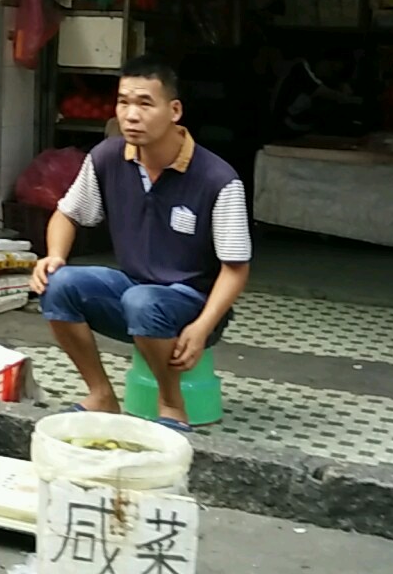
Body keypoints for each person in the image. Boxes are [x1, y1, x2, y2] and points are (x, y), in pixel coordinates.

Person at [31, 56, 251, 429]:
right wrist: (53, 256)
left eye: (145, 104)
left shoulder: (217, 178)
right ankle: (101, 395)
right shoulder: (107, 157)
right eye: (123, 102)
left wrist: (201, 327)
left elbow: (236, 268)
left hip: (192, 304)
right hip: (135, 291)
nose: (130, 115)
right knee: (58, 284)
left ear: (174, 110)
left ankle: (172, 406)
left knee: (142, 301)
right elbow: (67, 214)